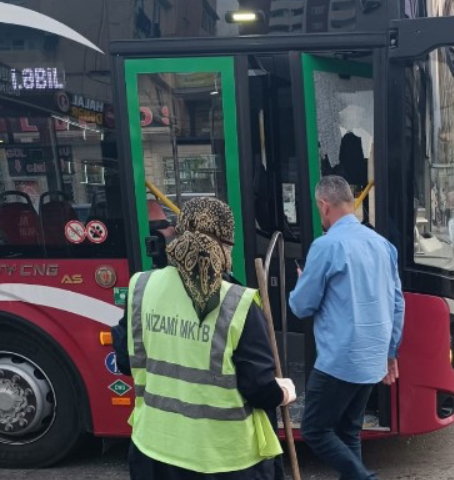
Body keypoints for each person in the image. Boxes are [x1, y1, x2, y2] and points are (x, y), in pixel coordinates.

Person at [111, 197, 296, 480]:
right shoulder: (238, 303)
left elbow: (125, 361)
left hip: (154, 451)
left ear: (178, 233)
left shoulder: (141, 287)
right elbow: (258, 389)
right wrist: (282, 391)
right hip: (224, 460)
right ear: (226, 244)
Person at [289, 176, 405, 480]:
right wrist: (390, 352)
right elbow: (398, 304)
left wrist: (303, 279)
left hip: (338, 361)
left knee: (315, 430)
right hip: (372, 357)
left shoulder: (326, 246)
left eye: (319, 209)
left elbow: (302, 306)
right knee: (349, 431)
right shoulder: (383, 245)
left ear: (324, 206)